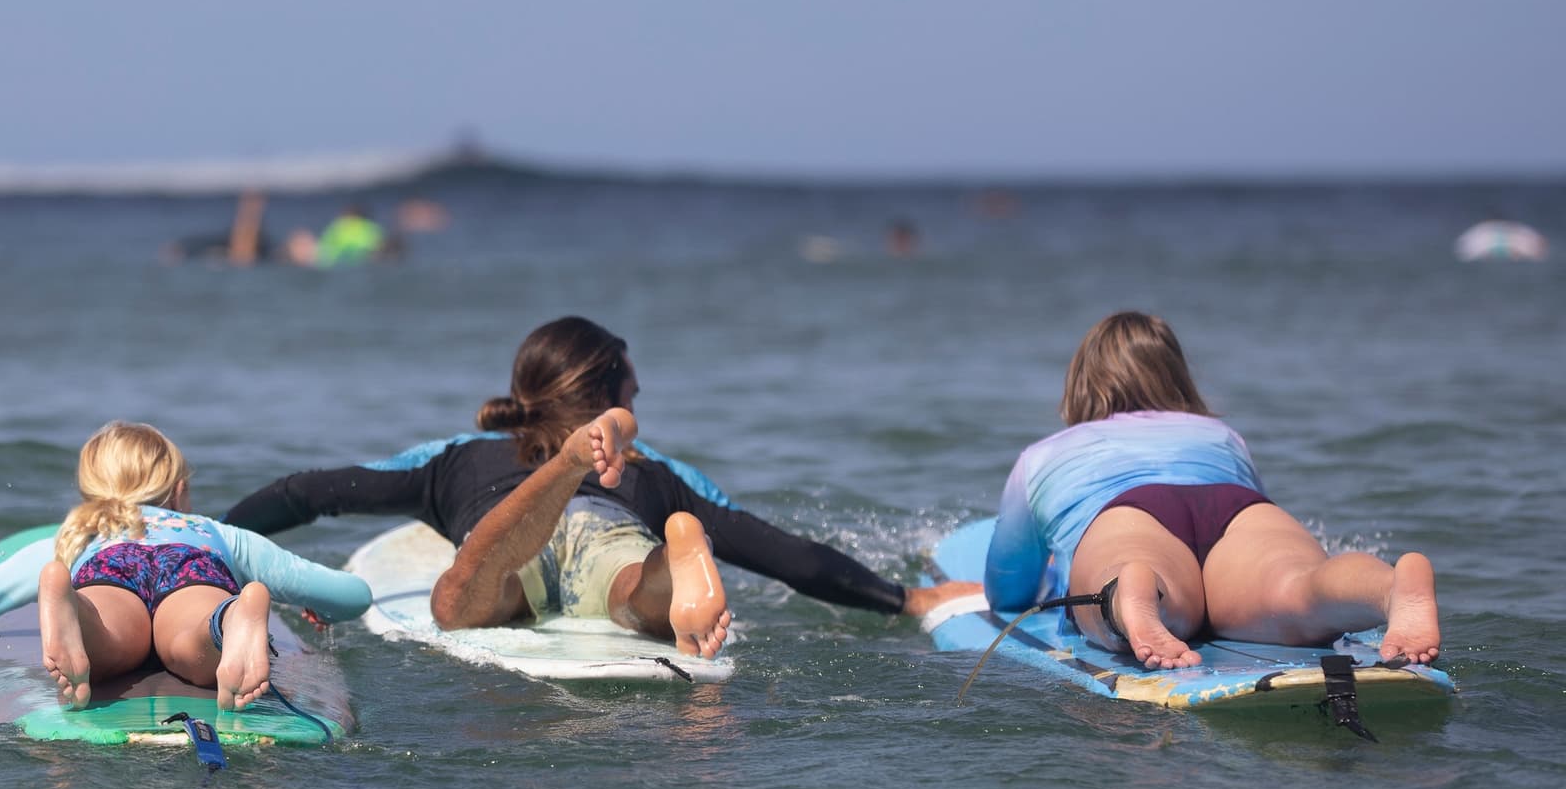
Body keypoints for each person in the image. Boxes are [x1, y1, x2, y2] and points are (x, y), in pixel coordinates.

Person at [222, 317, 981, 659]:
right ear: (608, 395)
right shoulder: (652, 469)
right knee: (626, 586)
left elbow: (308, 492)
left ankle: (543, 493)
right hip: (607, 529)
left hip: (507, 529)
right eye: (632, 393)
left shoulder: (457, 455)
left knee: (466, 603)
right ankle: (663, 569)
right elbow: (781, 552)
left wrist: (217, 545)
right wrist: (904, 600)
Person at [983, 311, 1441, 669]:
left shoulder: (1044, 455)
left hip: (1128, 515)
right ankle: (1387, 588)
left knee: (1136, 581)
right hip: (1237, 508)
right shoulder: (1223, 436)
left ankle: (1132, 590)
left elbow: (1008, 590)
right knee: (1298, 588)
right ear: (1178, 377)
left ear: (1080, 385)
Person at [0, 421, 372, 709]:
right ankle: (231, 619)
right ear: (180, 491)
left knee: (105, 637)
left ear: (90, 489)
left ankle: (73, 610)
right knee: (194, 639)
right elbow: (351, 595)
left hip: (110, 571)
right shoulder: (219, 534)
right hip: (193, 569)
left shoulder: (73, 536)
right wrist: (318, 605)